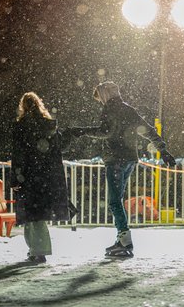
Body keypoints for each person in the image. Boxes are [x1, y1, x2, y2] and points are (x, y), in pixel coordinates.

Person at [69, 81, 176, 258]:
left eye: (100, 98)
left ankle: (125, 240)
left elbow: (105, 132)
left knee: (114, 200)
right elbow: (147, 130)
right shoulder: (129, 110)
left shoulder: (109, 109)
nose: (101, 102)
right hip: (130, 159)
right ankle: (122, 238)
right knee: (117, 199)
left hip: (115, 159)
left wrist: (81, 131)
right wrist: (163, 150)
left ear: (105, 94)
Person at [11, 92, 71, 264]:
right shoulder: (49, 125)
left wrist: (16, 178)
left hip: (28, 176)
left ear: (23, 106)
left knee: (32, 215)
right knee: (37, 215)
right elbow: (58, 149)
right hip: (47, 176)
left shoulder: (21, 126)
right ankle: (36, 250)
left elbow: (18, 154)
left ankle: (38, 250)